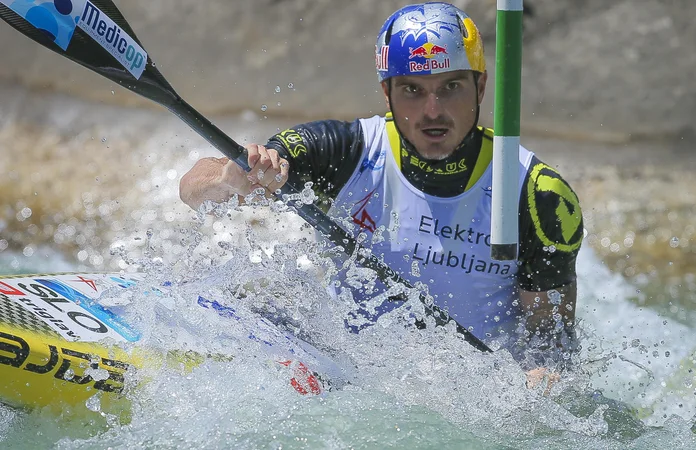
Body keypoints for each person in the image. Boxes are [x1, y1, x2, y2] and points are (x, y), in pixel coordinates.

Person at [179, 2, 583, 389]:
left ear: (480, 87)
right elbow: (192, 187)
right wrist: (233, 178)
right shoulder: (346, 152)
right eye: (412, 90)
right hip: (351, 377)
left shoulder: (537, 194)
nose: (433, 110)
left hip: (476, 397)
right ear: (386, 93)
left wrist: (542, 376)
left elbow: (551, 340)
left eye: (451, 87)